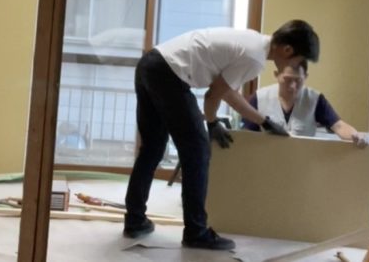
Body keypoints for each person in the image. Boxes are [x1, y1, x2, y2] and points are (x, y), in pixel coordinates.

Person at [123, 20, 320, 250]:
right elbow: (215, 94)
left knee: (152, 147)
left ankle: (135, 220)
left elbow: (225, 92)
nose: (295, 66)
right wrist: (215, 122)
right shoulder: (254, 58)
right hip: (169, 74)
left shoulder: (254, 41)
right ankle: (196, 232)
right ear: (287, 50)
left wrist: (260, 122)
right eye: (298, 60)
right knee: (197, 151)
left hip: (150, 64)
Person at [242, 60, 367, 148]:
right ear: (276, 75)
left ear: (306, 77)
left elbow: (338, 126)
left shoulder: (315, 99)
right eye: (287, 80)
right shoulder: (259, 98)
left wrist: (355, 135)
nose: (292, 86)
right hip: (265, 164)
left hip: (303, 165)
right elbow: (246, 137)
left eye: (298, 80)